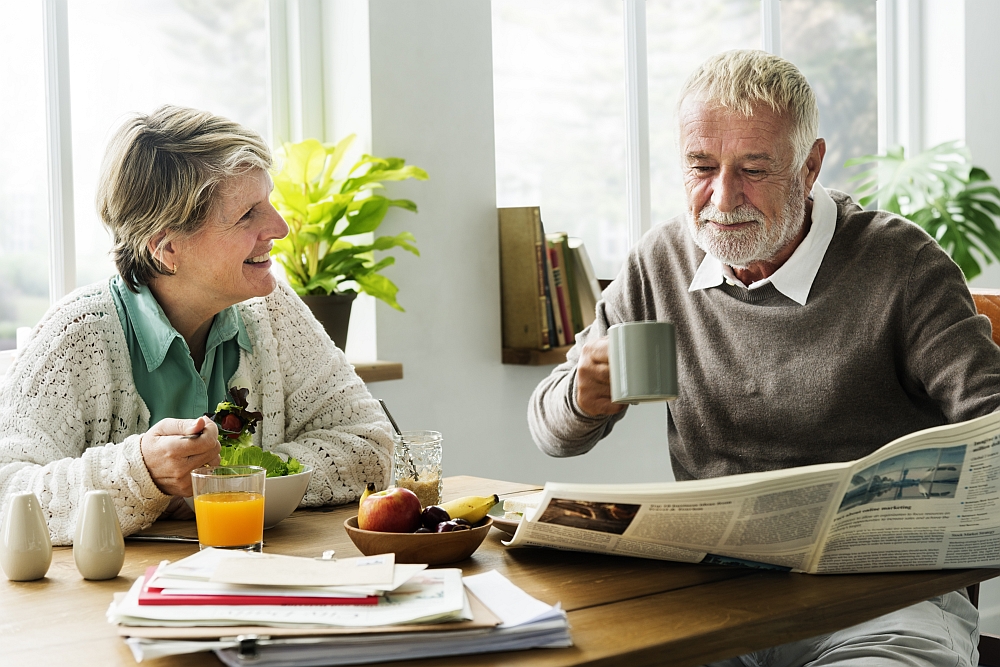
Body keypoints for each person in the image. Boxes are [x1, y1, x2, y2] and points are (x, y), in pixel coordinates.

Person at [529, 50, 1000, 667]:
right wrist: (581, 398)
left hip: (882, 602)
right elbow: (550, 432)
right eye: (701, 166)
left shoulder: (902, 263)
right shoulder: (661, 261)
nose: (723, 197)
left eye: (753, 169)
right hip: (715, 594)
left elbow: (990, 425)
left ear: (809, 167)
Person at [0, 105, 394, 545]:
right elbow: (7, 493)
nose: (279, 227)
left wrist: (228, 480)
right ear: (167, 247)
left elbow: (371, 446)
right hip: (111, 600)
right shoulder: (74, 334)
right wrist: (141, 472)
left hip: (258, 574)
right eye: (248, 214)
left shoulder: (273, 311)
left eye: (269, 203)